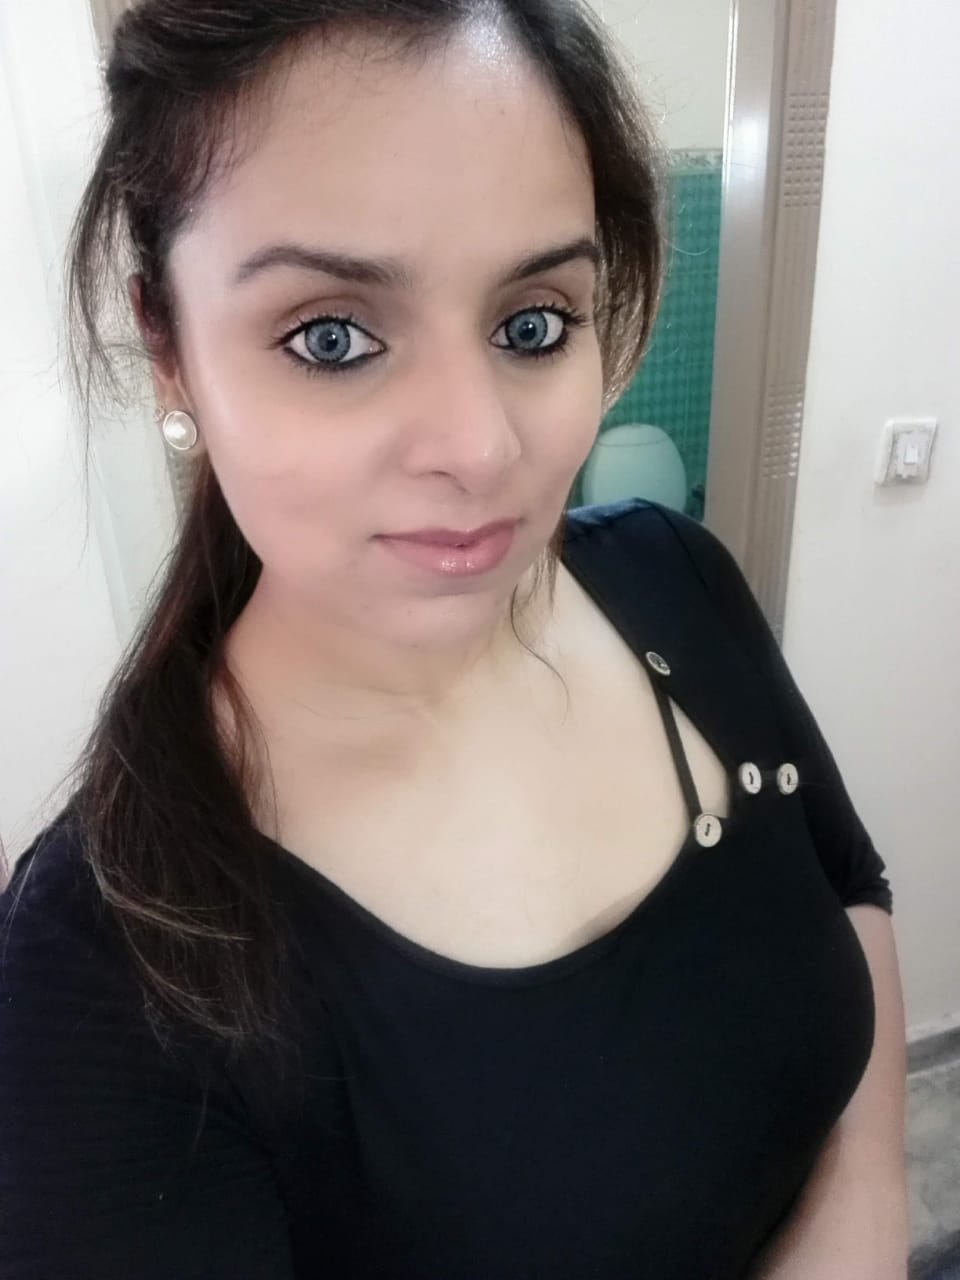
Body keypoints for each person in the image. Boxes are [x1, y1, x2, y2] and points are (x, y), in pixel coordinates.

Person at [0, 1, 909, 1276]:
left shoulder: (674, 579)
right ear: (169, 346)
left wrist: (866, 1188)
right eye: (332, 338)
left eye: (534, 322)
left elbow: (849, 888)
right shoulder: (99, 969)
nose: (481, 446)